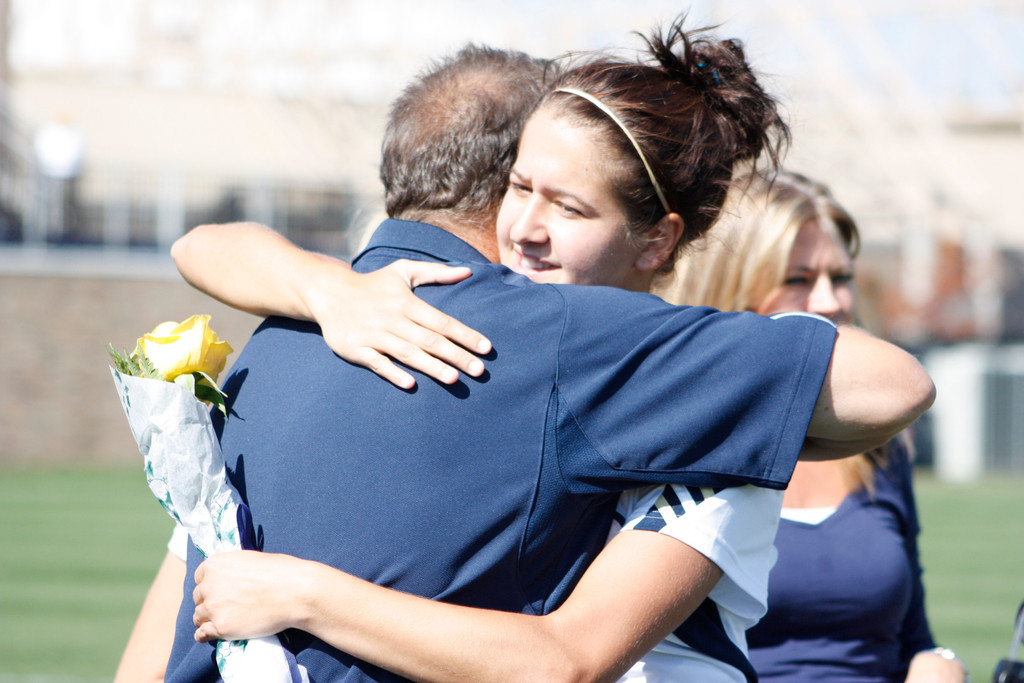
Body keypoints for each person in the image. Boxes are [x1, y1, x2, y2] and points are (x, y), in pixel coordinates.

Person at [158, 23, 933, 683]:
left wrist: (308, 595)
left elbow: (568, 658)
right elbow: (199, 245)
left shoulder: (654, 371)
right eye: (521, 187)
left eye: (569, 206)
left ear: (658, 240)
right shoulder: (413, 323)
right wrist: (328, 288)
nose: (526, 227)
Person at [659, 169, 967, 682]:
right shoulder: (671, 447)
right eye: (798, 280)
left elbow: (914, 638)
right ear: (728, 287)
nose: (831, 301)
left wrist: (941, 664)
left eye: (840, 278)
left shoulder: (877, 448)